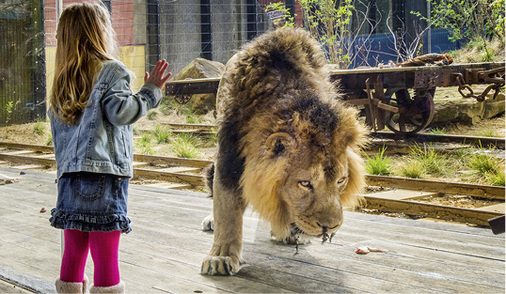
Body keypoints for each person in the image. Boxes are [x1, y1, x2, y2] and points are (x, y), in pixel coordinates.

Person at [48, 2, 171, 293]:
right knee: (105, 253)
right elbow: (121, 113)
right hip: (103, 177)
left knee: (74, 251)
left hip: (68, 178)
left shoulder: (61, 81)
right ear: (99, 32)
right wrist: (151, 91)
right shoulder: (112, 71)